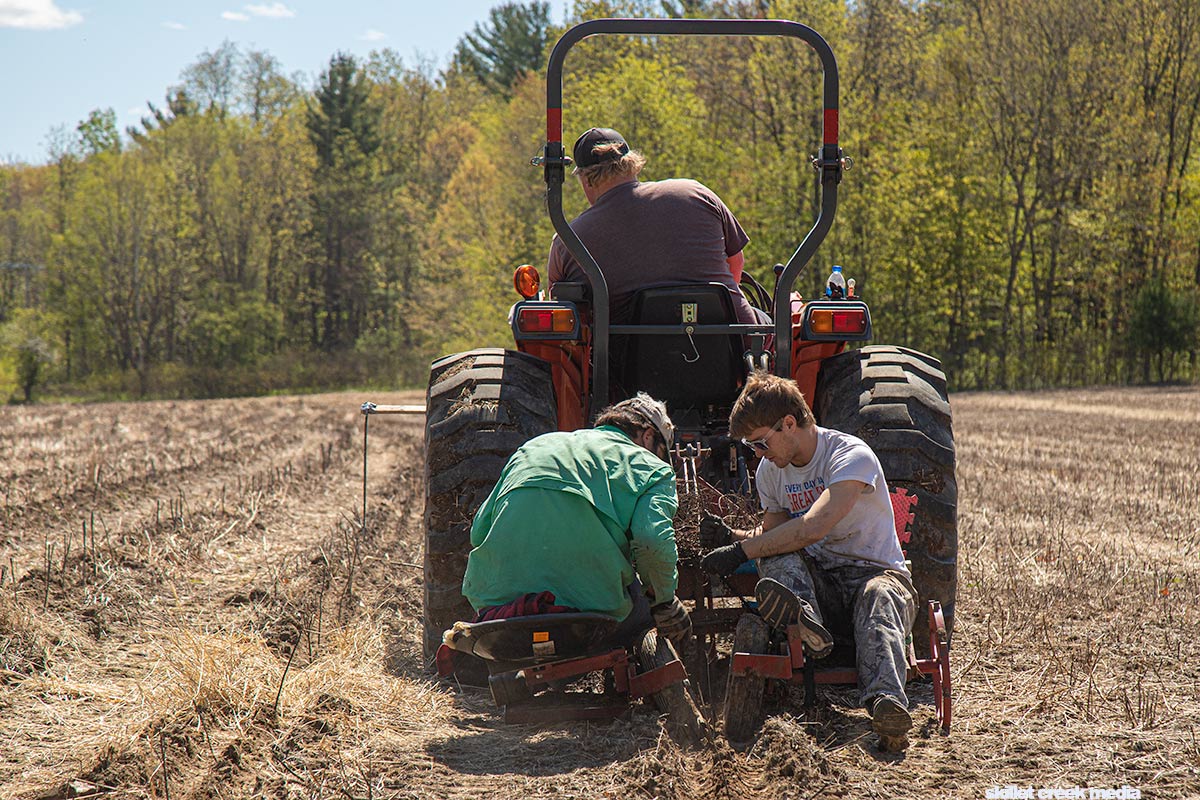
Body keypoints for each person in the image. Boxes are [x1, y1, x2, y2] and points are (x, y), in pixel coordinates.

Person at [698, 372, 918, 747]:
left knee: (879, 598)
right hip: (819, 588)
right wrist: (734, 539)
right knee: (777, 560)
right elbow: (775, 538)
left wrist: (739, 552)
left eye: (761, 444)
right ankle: (808, 627)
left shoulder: (850, 456)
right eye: (753, 448)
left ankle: (887, 705)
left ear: (788, 423)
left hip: (874, 575)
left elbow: (813, 527)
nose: (758, 456)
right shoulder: (771, 472)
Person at [462, 392, 691, 649]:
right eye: (661, 452)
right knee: (642, 617)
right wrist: (662, 599)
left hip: (500, 604)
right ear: (648, 435)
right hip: (591, 610)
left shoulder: (535, 447)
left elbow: (479, 531)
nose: (658, 459)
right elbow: (651, 541)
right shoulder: (652, 468)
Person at [547, 127, 759, 327]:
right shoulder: (695, 193)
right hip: (736, 345)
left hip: (622, 362)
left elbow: (560, 301)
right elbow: (736, 262)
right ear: (632, 165)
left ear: (587, 180)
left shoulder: (568, 239)